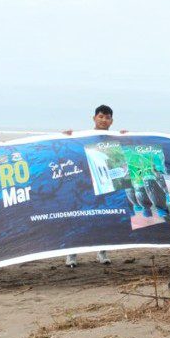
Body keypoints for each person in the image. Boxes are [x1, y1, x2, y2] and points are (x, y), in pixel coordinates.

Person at [63, 104, 121, 267]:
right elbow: (69, 151)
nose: (103, 120)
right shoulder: (83, 137)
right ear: (94, 118)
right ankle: (71, 254)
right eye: (100, 116)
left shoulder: (114, 138)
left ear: (112, 121)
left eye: (107, 117)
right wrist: (66, 138)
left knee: (104, 217)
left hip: (105, 184)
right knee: (79, 217)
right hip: (85, 184)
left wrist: (125, 136)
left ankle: (102, 253)